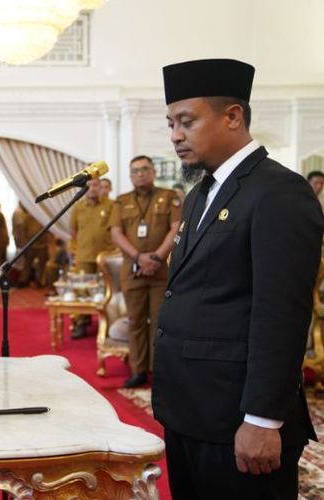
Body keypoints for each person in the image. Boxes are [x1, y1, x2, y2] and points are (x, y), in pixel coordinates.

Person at [153, 58, 324, 499]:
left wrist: (262, 419)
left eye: (187, 121)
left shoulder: (278, 192)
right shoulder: (199, 194)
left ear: (232, 116)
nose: (175, 135)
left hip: (238, 417)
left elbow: (281, 313)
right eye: (171, 124)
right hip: (190, 410)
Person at [108, 155, 181, 388]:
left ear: (153, 172)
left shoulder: (169, 197)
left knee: (160, 323)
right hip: (132, 270)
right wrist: (139, 257)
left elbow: (176, 228)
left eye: (145, 169)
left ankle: (158, 370)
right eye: (136, 171)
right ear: (130, 176)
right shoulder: (121, 202)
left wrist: (156, 257)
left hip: (160, 271)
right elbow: (116, 233)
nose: (141, 174)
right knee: (136, 321)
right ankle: (138, 370)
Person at [69, 178, 115, 338]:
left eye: (95, 185)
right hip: (84, 255)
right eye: (88, 186)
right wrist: (81, 246)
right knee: (83, 290)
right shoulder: (78, 207)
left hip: (106, 257)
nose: (92, 189)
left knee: (107, 290)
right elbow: (73, 231)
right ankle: (81, 322)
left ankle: (109, 322)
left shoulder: (111, 205)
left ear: (100, 187)